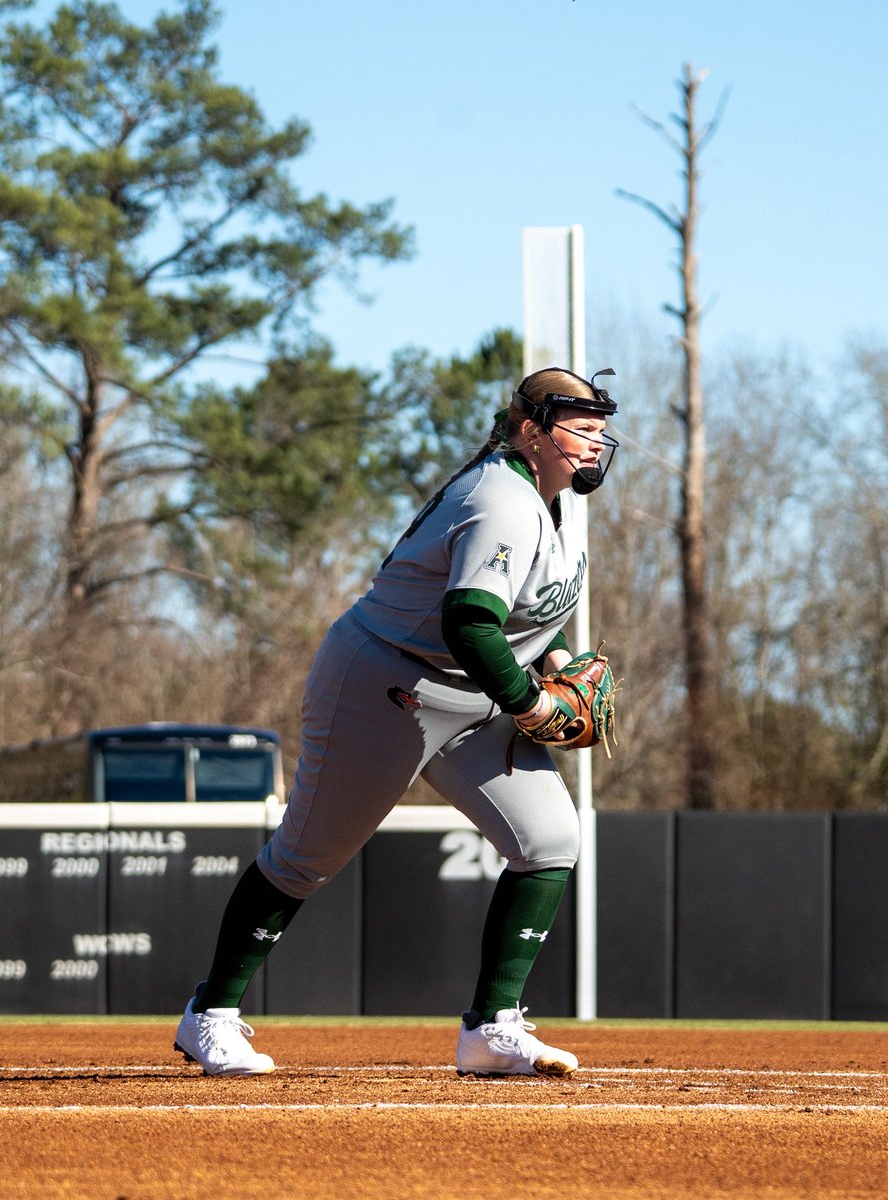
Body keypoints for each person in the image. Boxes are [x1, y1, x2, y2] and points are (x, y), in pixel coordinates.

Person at [174, 365, 620, 1077]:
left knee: (549, 838)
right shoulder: (502, 501)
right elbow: (470, 622)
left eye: (601, 431)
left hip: (469, 696)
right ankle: (211, 1017)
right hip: (387, 682)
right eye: (581, 430)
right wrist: (535, 703)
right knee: (305, 858)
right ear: (532, 432)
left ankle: (491, 1030)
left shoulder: (554, 499)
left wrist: (559, 658)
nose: (596, 445)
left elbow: (528, 618)